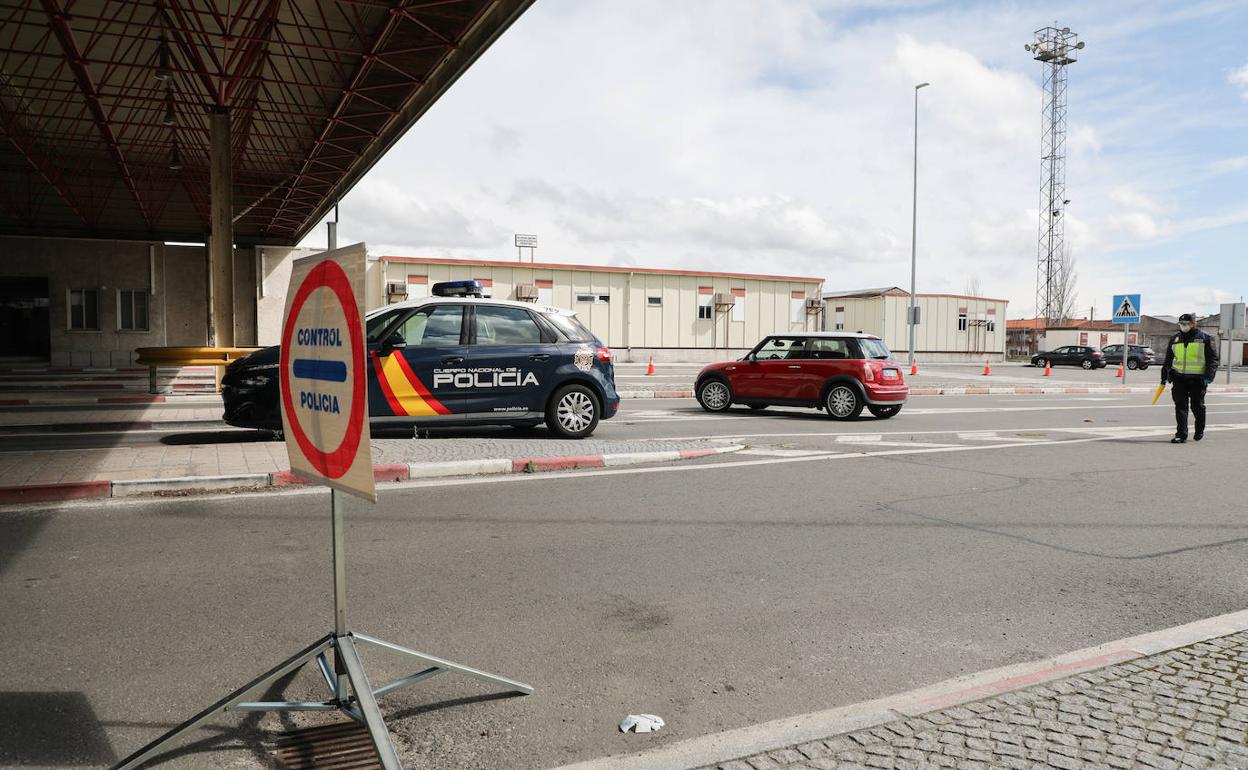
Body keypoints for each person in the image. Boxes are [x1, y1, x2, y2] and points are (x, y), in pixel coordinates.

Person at [1160, 313, 1219, 443]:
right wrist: (1164, 377)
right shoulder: (1175, 338)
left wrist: (1209, 376)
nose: (1183, 326)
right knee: (1180, 406)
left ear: (1194, 323)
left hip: (1197, 379)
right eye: (1181, 324)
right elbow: (1168, 359)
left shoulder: (1206, 338)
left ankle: (1199, 430)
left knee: (1197, 406)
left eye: (1186, 324)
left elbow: (1213, 359)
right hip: (1178, 378)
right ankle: (1181, 434)